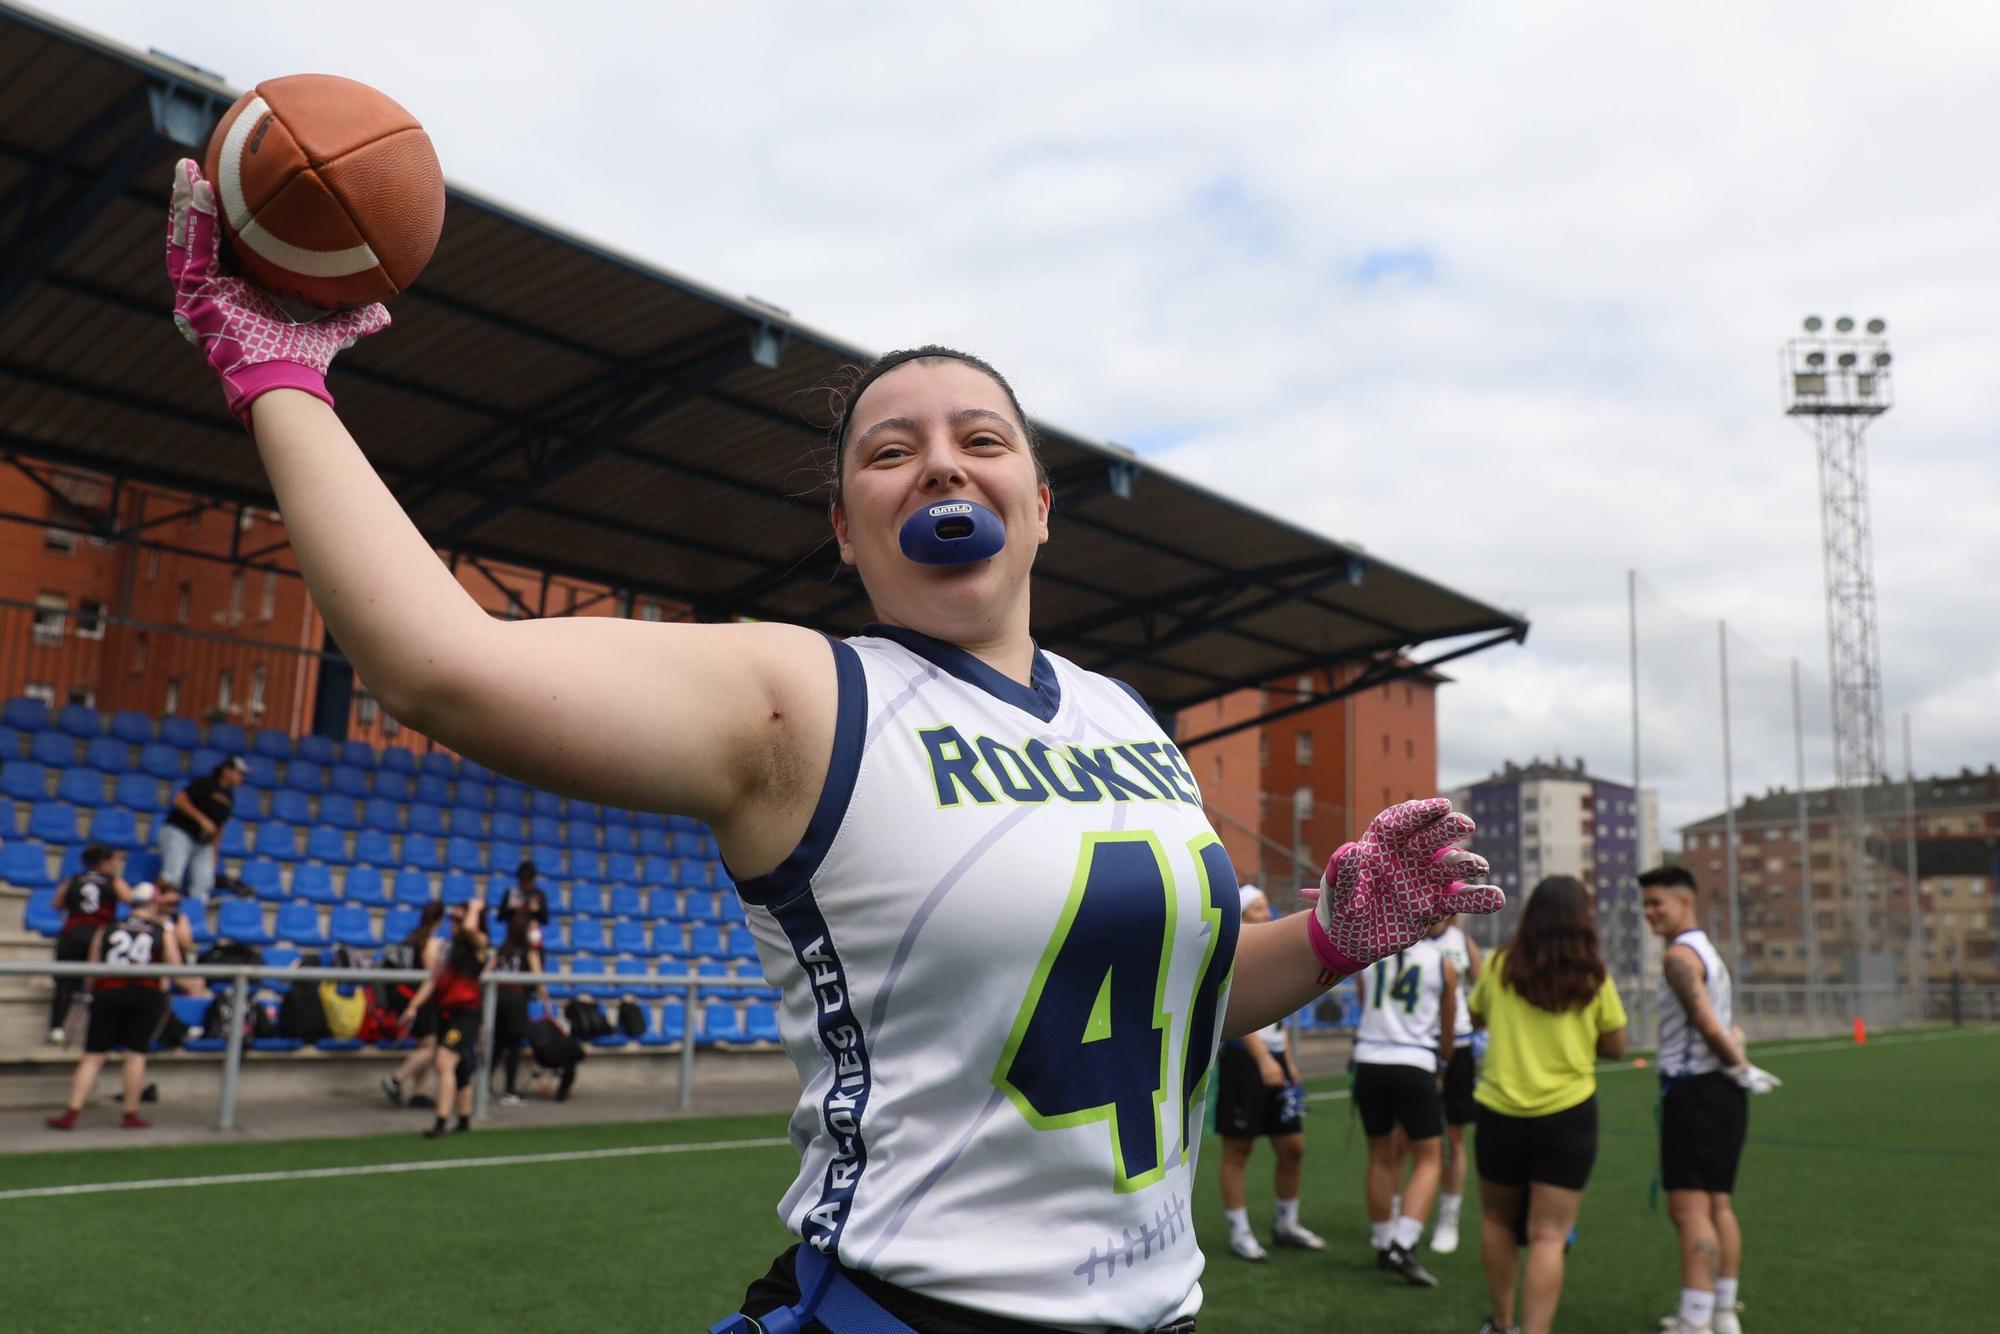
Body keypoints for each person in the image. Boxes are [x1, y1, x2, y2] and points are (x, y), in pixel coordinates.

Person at [166, 161, 1505, 1332]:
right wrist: (277, 370)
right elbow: (442, 667)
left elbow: (1172, 1010)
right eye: (889, 451)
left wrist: (1336, 933)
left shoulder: (1130, 719)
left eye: (981, 441)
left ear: (1039, 508)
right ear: (844, 529)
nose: (939, 465)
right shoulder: (805, 699)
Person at [1467, 875, 1628, 1334]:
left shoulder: (1499, 967)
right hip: (1568, 1117)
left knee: (1497, 1221)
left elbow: (1477, 1015)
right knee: (1549, 1236)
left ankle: (1501, 1324)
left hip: (1500, 1113)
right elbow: (1616, 1044)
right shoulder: (1593, 976)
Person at [1639, 867, 1782, 1334]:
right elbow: (1726, 1025)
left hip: (1696, 1090)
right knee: (1719, 1204)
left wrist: (1738, 1065)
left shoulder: (1680, 955)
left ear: (1686, 902)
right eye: (1646, 903)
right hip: (1721, 1091)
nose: (1649, 912)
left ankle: (1695, 1321)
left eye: (1657, 902)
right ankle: (1722, 1312)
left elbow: (1706, 1022)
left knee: (1691, 1210)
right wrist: (1738, 1065)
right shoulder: (1710, 953)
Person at [1213, 886, 1324, 1262]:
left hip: (1275, 1057)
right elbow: (1234, 1014)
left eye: (1265, 907)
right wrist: (1262, 1059)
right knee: (1238, 1149)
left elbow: (1279, 1018)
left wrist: (1287, 1061)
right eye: (1257, 909)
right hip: (1244, 1059)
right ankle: (1239, 1231)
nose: (1266, 914)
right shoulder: (1231, 952)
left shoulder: (1269, 953)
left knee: (1293, 1147)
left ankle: (1286, 1223)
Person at [1351, 917, 1457, 1287]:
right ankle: (1404, 1243)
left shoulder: (1369, 952)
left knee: (1379, 1155)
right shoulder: (1442, 962)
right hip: (1414, 1062)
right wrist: (1442, 1067)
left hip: (1369, 1060)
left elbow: (1363, 1005)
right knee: (1429, 1159)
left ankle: (1383, 1244)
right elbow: (1448, 1027)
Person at [46, 882, 181, 1130]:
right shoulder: (161, 929)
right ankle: (130, 1114)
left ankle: (72, 1112)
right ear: (154, 903)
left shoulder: (107, 927)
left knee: (94, 1055)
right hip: (144, 993)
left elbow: (93, 965)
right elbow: (175, 965)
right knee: (135, 1055)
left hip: (108, 991)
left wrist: (89, 992)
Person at [400, 898, 490, 1138]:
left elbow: (471, 930)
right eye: (453, 919)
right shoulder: (447, 948)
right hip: (444, 1013)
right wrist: (413, 1005)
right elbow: (433, 980)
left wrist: (475, 908)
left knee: (444, 1060)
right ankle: (463, 1120)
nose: (455, 924)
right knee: (458, 1068)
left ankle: (441, 1121)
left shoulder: (479, 944)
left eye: (459, 920)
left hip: (465, 1014)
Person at [1431, 913, 1482, 1253]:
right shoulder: (1403, 934)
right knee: (1405, 1139)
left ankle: (1448, 1218)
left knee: (1453, 1138)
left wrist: (1483, 1031)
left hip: (1459, 1046)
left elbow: (1481, 989)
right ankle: (1393, 1217)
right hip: (1415, 1045)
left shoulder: (1463, 942)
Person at [46, 844, 130, 1045]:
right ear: (104, 861)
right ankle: (99, 1028)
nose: (117, 863)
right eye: (115, 859)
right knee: (100, 982)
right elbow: (131, 899)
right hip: (98, 936)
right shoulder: (113, 881)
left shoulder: (72, 880)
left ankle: (56, 1028)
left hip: (71, 934)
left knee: (64, 984)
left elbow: (56, 904)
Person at [155, 754, 249, 903]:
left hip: (204, 842)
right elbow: (179, 800)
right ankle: (150, 904)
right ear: (226, 770)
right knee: (172, 876)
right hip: (180, 831)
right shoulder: (205, 783)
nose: (242, 777)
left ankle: (194, 917)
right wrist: (201, 819)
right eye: (239, 772)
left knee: (205, 882)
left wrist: (214, 857)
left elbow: (219, 829)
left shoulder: (230, 797)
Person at [490, 905, 559, 1105]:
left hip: (497, 998)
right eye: (532, 928)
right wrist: (547, 1005)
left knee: (498, 1044)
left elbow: (488, 969)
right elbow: (538, 980)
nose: (536, 932)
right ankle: (510, 1092)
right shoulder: (529, 950)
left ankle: (484, 1089)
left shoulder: (503, 949)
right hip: (515, 1000)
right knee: (513, 1045)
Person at [380, 901, 445, 1108]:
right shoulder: (430, 943)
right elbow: (430, 979)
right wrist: (414, 1006)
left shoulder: (411, 939)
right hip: (418, 999)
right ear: (440, 919)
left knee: (424, 1044)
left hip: (406, 996)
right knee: (432, 1046)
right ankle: (396, 1079)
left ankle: (419, 1092)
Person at [496, 859, 551, 929]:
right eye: (523, 882)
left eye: (528, 882)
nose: (525, 886)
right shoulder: (510, 893)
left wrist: (537, 911)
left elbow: (545, 920)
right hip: (514, 933)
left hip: (533, 933)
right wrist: (514, 909)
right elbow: (499, 918)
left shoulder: (539, 895)